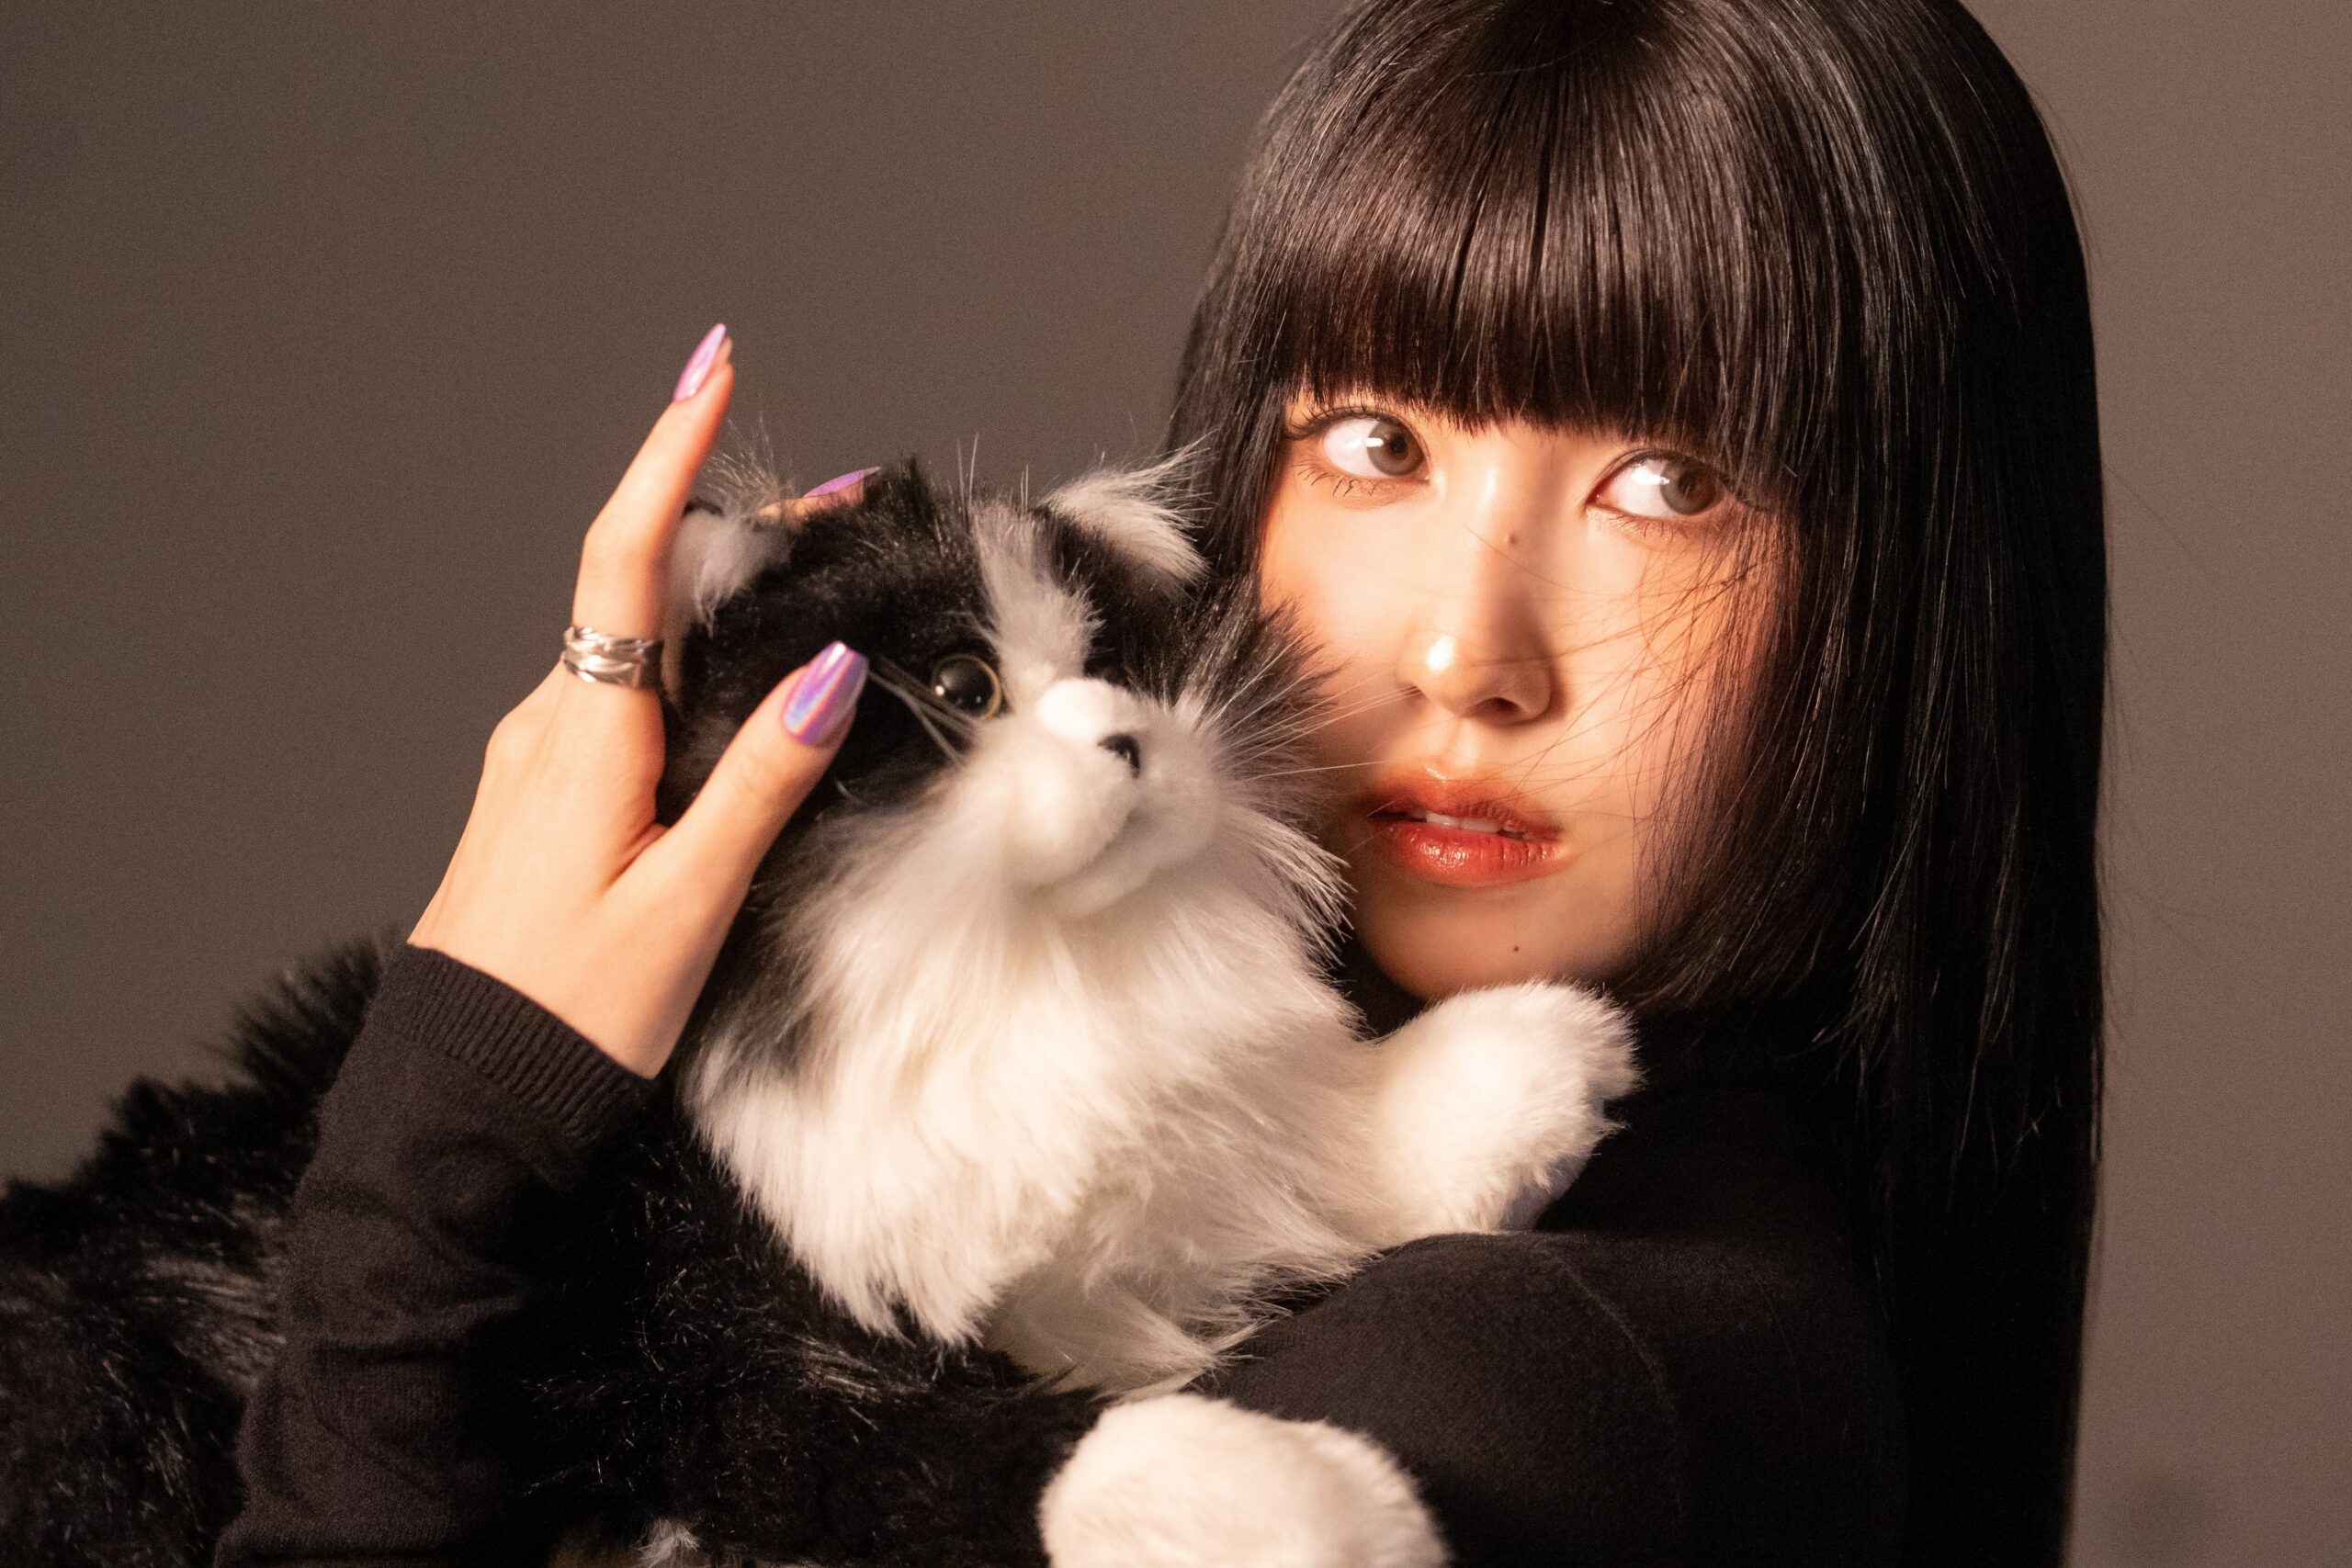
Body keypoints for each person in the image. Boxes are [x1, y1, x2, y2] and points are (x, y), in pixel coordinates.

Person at [216, 0, 2106, 1564]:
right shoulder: (1340, 1218)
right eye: (1376, 443)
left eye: (1668, 484)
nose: (1466, 650)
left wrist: (434, 1158)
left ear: (1918, 597)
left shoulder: (1495, 1381)